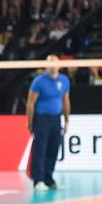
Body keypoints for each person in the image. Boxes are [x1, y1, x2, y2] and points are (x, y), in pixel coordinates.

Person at [26, 55, 71, 191]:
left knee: (53, 149)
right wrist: (30, 122)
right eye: (50, 63)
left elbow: (66, 101)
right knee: (40, 149)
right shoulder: (39, 81)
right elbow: (31, 103)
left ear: (59, 65)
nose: (52, 66)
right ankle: (38, 180)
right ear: (46, 65)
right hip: (41, 118)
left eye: (54, 63)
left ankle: (48, 179)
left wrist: (66, 120)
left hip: (56, 118)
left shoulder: (64, 80)